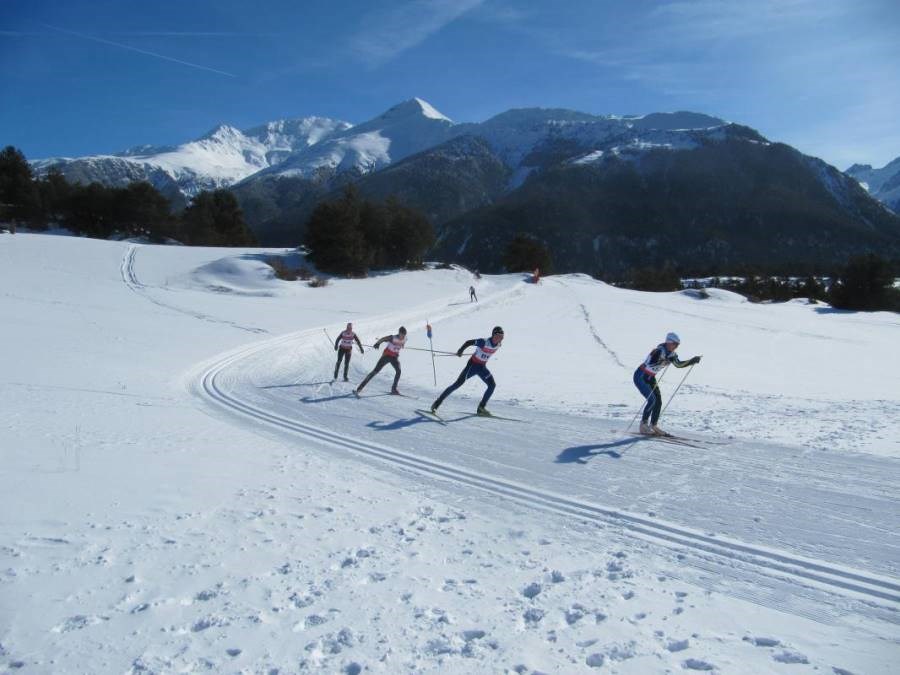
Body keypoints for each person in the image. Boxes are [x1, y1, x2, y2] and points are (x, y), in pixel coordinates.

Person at [633, 332, 700, 435]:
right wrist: (664, 359)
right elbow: (652, 362)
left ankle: (653, 425)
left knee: (658, 401)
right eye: (675, 344)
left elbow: (678, 364)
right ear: (669, 342)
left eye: (677, 345)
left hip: (651, 377)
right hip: (641, 376)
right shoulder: (658, 351)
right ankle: (643, 425)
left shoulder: (672, 354)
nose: (676, 347)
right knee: (652, 400)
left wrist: (692, 361)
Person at [431, 326, 504, 416]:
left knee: (492, 385)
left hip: (482, 367)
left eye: (501, 337)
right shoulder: (484, 342)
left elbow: (486, 352)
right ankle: (437, 403)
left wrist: (481, 353)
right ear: (493, 335)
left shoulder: (499, 344)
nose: (499, 339)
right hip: (472, 365)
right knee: (457, 384)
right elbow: (468, 342)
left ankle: (481, 408)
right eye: (497, 336)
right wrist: (460, 350)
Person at [355, 327, 407, 395]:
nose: (402, 336)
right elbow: (383, 339)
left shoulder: (404, 339)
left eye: (404, 335)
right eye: (402, 335)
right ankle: (359, 388)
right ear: (399, 333)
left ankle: (394, 389)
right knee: (375, 371)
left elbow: (402, 343)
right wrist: (378, 343)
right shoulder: (392, 337)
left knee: (398, 371)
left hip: (394, 357)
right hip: (386, 356)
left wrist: (402, 345)